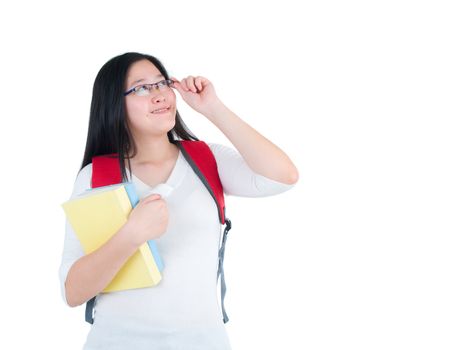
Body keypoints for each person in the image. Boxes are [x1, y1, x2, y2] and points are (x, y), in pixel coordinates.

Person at [58, 52, 299, 350]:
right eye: (141, 88)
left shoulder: (207, 160)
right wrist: (132, 235)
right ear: (114, 103)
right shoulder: (97, 176)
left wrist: (213, 108)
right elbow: (73, 291)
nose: (158, 94)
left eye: (161, 84)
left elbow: (282, 176)